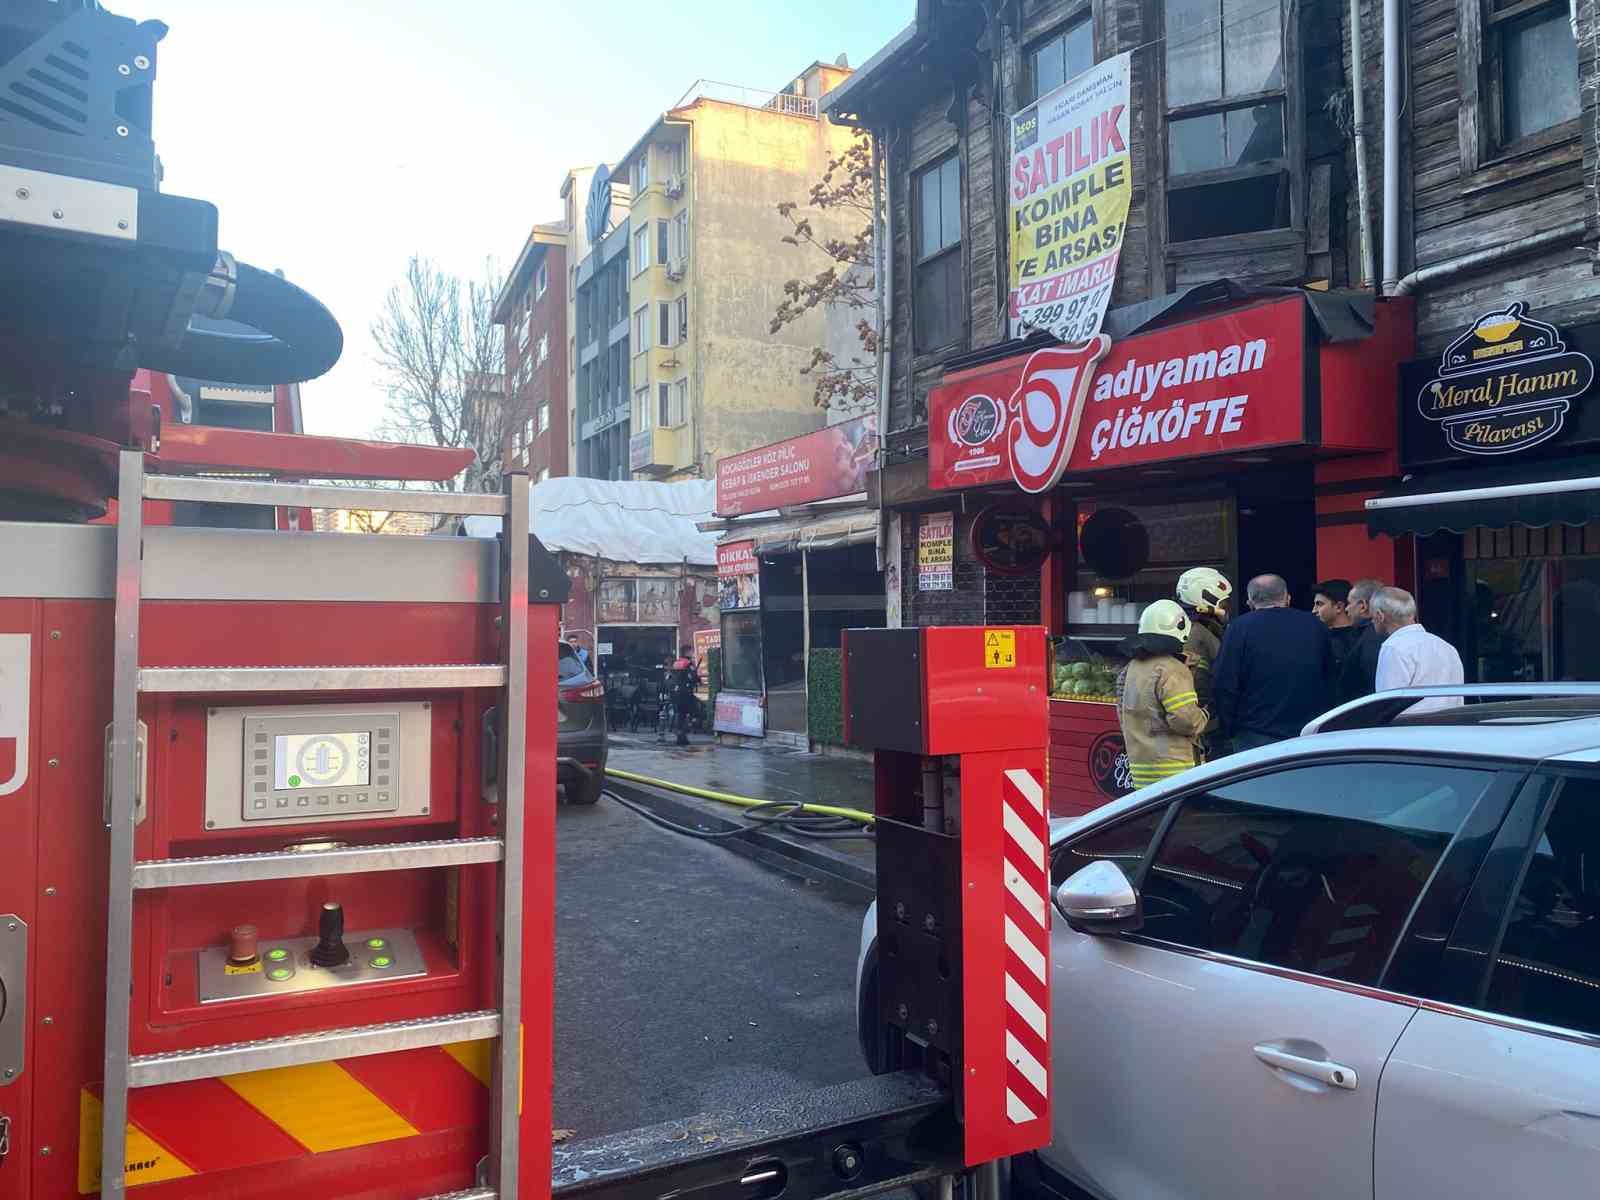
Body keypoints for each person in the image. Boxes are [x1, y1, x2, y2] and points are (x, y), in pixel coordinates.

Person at [1212, 574, 1334, 752]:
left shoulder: (1238, 628)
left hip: (1254, 735)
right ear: (1287, 598)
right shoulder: (1315, 626)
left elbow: (1224, 683)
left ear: (1250, 602)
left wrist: (1229, 728)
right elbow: (1330, 676)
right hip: (1308, 732)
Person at [1116, 600, 1209, 788]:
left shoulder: (1131, 667)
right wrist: (1205, 715)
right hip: (1175, 771)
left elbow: (1122, 711)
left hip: (1140, 768)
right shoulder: (1173, 669)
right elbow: (1186, 721)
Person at [1372, 587, 1464, 714]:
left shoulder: (1393, 647)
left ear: (1379, 616)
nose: (1372, 621)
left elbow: (1387, 705)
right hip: (1451, 728)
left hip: (1411, 729)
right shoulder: (1447, 647)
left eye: (1372, 616)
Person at [1175, 566, 1232, 759]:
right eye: (1223, 603)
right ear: (1206, 600)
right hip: (1207, 727)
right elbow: (1194, 680)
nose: (1226, 608)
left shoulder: (1201, 628)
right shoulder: (1195, 633)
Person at [1337, 578, 1386, 703]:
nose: (1346, 609)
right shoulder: (1389, 634)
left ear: (1363, 606)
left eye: (1349, 603)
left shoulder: (1370, 640)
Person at [1312, 579, 1362, 673]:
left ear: (1339, 607)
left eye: (1319, 604)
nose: (1314, 610)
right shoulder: (1319, 637)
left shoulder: (1362, 640)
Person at [668, 643, 700, 746]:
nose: (693, 653)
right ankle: (687, 729)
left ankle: (680, 736)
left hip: (675, 692)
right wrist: (696, 677)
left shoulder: (676, 663)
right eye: (692, 651)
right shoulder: (689, 663)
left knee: (680, 714)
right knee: (696, 711)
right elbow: (693, 678)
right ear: (687, 652)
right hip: (685, 692)